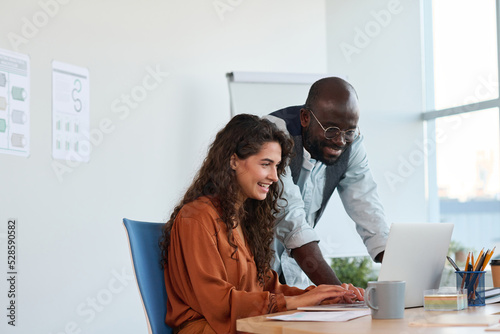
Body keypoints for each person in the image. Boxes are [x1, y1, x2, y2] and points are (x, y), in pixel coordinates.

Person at [159, 114, 362, 334]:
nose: (274, 177)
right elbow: (217, 303)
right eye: (266, 164)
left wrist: (324, 296)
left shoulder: (244, 219)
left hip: (248, 325)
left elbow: (268, 288)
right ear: (233, 160)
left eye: (277, 166)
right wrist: (296, 303)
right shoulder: (196, 217)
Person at [266, 77, 390, 288]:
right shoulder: (273, 135)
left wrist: (398, 267)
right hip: (253, 269)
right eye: (331, 129)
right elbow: (291, 220)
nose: (341, 141)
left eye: (349, 131)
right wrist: (339, 294)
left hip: (295, 276)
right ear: (305, 118)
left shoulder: (352, 142)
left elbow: (366, 204)